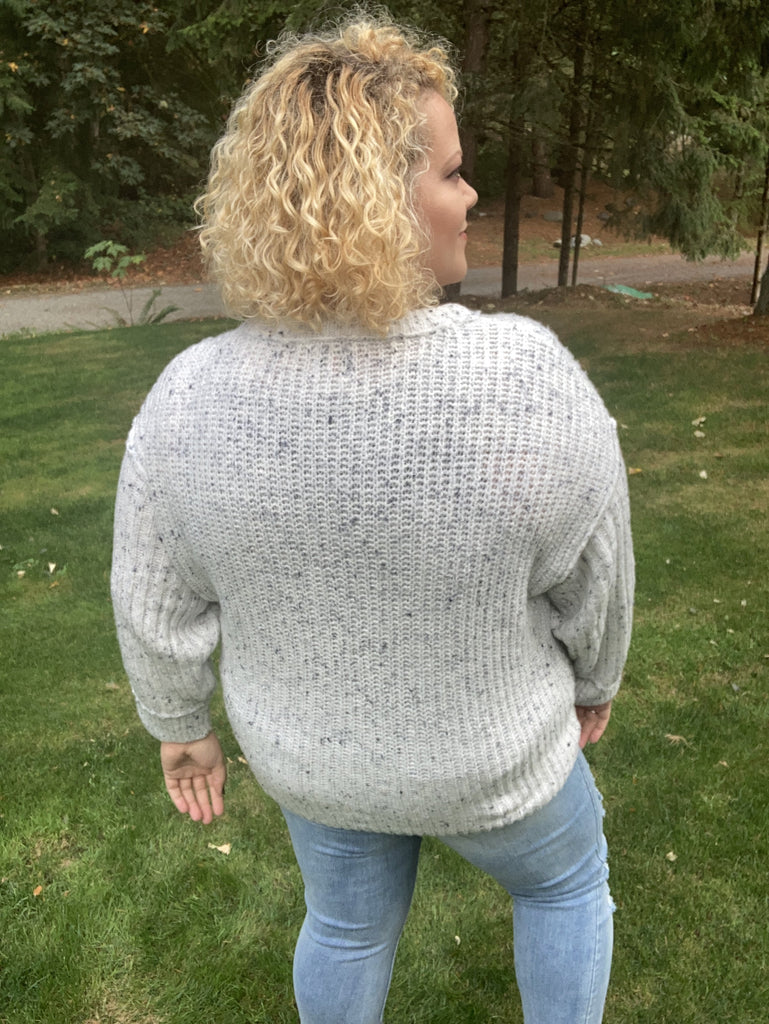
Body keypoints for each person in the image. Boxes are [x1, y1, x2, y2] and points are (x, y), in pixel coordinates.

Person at [111, 14, 634, 1024]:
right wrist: (594, 678)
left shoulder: (187, 397)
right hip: (497, 763)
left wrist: (181, 729)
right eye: (452, 172)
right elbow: (594, 576)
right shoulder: (525, 376)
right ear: (379, 195)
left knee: (346, 926)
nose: (471, 196)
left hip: (316, 767)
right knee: (564, 886)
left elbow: (156, 602)